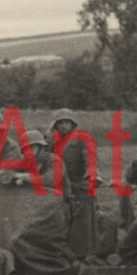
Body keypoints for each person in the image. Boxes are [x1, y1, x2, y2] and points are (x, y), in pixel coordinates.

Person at [50, 109, 97, 259]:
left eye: (67, 122)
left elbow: (90, 157)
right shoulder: (52, 140)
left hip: (78, 183)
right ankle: (61, 252)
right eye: (60, 123)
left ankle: (83, 254)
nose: (64, 126)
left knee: (82, 220)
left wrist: (92, 172)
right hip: (60, 184)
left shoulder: (81, 140)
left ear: (72, 124)